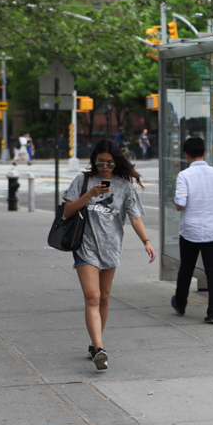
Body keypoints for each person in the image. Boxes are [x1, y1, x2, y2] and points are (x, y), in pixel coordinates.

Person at [62, 139, 155, 370]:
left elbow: (134, 217)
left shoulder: (125, 186)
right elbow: (67, 210)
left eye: (110, 164)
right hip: (85, 246)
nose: (105, 167)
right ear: (94, 161)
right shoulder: (83, 180)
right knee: (92, 297)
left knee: (104, 297)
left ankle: (94, 344)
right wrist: (90, 193)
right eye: (100, 162)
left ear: (117, 163)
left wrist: (146, 241)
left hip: (111, 247)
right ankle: (100, 349)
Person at [171, 136, 213, 324]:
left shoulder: (184, 175)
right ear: (205, 153)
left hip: (190, 231)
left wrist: (176, 204)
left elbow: (181, 204)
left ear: (186, 154)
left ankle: (180, 303)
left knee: (186, 269)